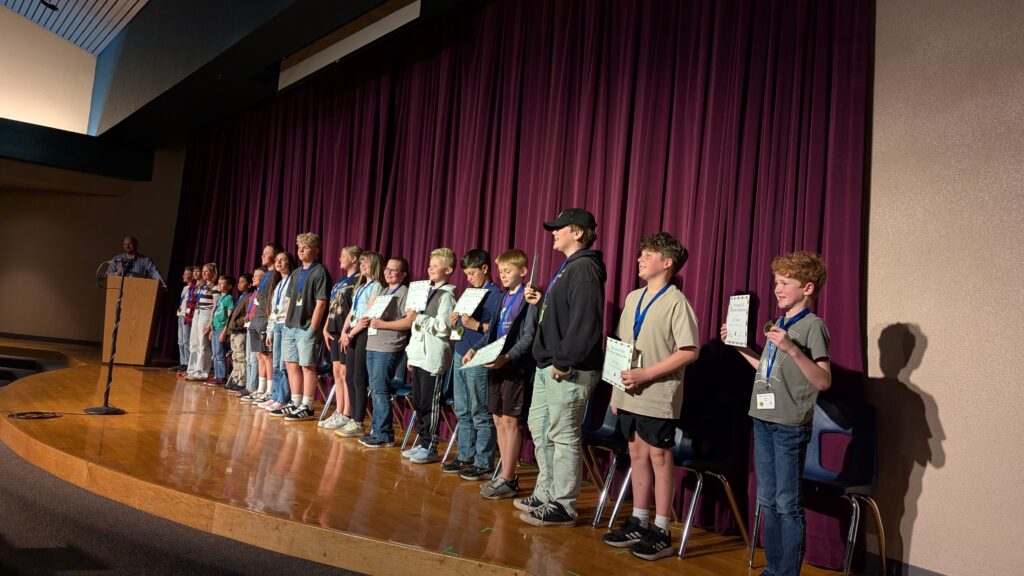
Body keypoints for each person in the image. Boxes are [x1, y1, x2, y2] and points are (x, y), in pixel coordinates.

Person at [720, 251, 831, 576]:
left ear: (807, 288)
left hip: (788, 425)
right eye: (776, 283)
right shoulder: (780, 323)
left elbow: (823, 380)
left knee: (787, 502)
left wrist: (793, 349)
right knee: (767, 499)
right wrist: (740, 346)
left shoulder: (813, 326)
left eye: (785, 283)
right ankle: (773, 570)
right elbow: (766, 369)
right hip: (764, 419)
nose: (778, 289)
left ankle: (786, 572)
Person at [602, 232, 699, 560]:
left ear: (667, 263)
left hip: (657, 393)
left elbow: (688, 351)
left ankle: (662, 529)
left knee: (659, 457)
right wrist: (616, 388)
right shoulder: (632, 297)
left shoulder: (676, 301)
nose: (640, 259)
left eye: (648, 254)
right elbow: (621, 347)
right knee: (636, 453)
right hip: (628, 392)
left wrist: (647, 374)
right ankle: (639, 521)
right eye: (641, 254)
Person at [518, 208, 605, 527]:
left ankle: (563, 505)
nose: (554, 232)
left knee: (563, 435)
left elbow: (586, 323)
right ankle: (546, 493)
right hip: (549, 365)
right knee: (542, 430)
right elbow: (565, 314)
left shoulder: (584, 269)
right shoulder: (569, 268)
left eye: (560, 228)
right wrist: (541, 301)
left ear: (578, 232)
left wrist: (565, 361)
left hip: (567, 368)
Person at [464, 249, 537, 499]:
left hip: (514, 367)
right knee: (496, 418)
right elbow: (493, 333)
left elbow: (528, 337)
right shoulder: (504, 298)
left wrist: (508, 357)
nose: (503, 275)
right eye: (501, 271)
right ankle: (504, 475)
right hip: (495, 365)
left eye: (508, 271)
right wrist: (475, 348)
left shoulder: (529, 298)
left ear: (523, 272)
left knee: (510, 421)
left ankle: (508, 477)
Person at [444, 249, 502, 479]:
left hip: (478, 356)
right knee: (462, 409)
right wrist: (455, 320)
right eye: (466, 274)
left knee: (479, 410)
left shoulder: (495, 295)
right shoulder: (470, 292)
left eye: (471, 273)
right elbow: (462, 324)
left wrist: (476, 325)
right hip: (460, 352)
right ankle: (464, 455)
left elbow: (499, 330)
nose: (468, 278)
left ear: (485, 269)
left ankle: (483, 462)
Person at [401, 248, 457, 465]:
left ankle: (430, 447)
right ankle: (422, 443)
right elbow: (416, 328)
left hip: (433, 357)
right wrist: (411, 356)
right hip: (419, 356)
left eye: (436, 265)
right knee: (419, 402)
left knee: (429, 403)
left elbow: (445, 328)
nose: (430, 268)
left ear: (449, 269)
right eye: (430, 264)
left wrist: (420, 318)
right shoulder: (425, 292)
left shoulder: (447, 295)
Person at [361, 257, 414, 448]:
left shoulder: (404, 293)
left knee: (381, 389)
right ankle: (377, 431)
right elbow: (370, 315)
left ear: (403, 274)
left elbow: (408, 323)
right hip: (373, 344)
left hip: (389, 347)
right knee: (375, 388)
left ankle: (384, 434)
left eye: (394, 270)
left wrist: (383, 324)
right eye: (387, 269)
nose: (389, 273)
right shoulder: (382, 291)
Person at [279, 233, 330, 422]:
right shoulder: (296, 273)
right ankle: (295, 401)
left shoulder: (319, 272)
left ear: (315, 251)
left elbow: (321, 302)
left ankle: (307, 406)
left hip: (306, 327)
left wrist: (312, 328)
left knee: (307, 365)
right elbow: (291, 300)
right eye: (299, 246)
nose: (300, 250)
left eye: (305, 247)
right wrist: (286, 322)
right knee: (291, 364)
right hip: (290, 325)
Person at [335, 251, 385, 436]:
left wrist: (351, 333)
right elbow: (352, 312)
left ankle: (358, 421)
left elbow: (367, 316)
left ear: (375, 266)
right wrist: (344, 331)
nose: (363, 265)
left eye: (366, 263)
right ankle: (350, 419)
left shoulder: (377, 286)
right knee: (349, 376)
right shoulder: (361, 285)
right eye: (361, 262)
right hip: (352, 333)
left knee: (358, 378)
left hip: (363, 334)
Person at [319, 246, 362, 430]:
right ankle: (339, 410)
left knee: (345, 374)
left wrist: (347, 331)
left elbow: (355, 309)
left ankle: (347, 413)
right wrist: (326, 327)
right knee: (336, 372)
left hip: (347, 333)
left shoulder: (358, 280)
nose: (340, 259)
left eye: (344, 256)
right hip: (334, 330)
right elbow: (332, 306)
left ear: (354, 259)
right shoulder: (340, 281)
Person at [257, 252, 294, 407]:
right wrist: (270, 330)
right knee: (276, 363)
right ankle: (275, 395)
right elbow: (273, 309)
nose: (278, 263)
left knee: (283, 364)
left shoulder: (293, 280)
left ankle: (283, 399)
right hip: (277, 325)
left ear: (289, 262)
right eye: (277, 260)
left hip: (287, 324)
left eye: (282, 260)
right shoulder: (279, 283)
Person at [185, 263, 218, 381]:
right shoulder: (202, 286)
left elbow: (215, 305)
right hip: (197, 314)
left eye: (206, 271)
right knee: (194, 342)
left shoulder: (215, 287)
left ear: (213, 273)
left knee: (203, 344)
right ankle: (192, 369)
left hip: (206, 314)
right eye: (203, 271)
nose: (204, 273)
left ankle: (201, 372)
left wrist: (210, 322)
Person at [225, 273, 254, 392]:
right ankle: (236, 378)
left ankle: (242, 380)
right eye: (239, 282)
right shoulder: (242, 296)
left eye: (242, 282)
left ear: (249, 284)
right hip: (234, 331)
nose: (239, 284)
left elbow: (248, 314)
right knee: (235, 356)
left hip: (240, 331)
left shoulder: (249, 297)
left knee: (241, 356)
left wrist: (237, 323)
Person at [206, 274, 236, 386]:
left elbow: (229, 317)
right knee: (216, 353)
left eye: (222, 283)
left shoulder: (229, 299)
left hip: (221, 329)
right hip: (215, 329)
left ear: (229, 286)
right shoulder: (219, 298)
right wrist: (211, 329)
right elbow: (214, 315)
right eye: (218, 282)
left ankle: (222, 377)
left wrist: (224, 331)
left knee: (220, 354)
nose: (218, 284)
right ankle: (217, 376)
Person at [170, 266, 196, 372]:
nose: (183, 276)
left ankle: (188, 364)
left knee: (186, 340)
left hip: (187, 316)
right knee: (180, 341)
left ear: (192, 276)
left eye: (186, 274)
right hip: (181, 315)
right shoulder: (185, 288)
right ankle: (183, 362)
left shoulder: (194, 288)